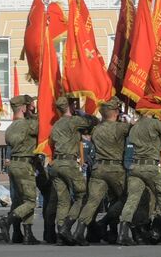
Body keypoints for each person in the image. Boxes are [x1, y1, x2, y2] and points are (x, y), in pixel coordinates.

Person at [119, 105, 161, 245]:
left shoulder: (134, 126)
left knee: (132, 199)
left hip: (135, 166)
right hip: (150, 166)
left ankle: (123, 233)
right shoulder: (154, 123)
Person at [75, 99, 131, 244]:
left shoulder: (96, 129)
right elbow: (135, 129)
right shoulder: (120, 127)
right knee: (126, 198)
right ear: (116, 112)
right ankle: (105, 222)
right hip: (115, 169)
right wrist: (128, 119)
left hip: (98, 168)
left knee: (92, 202)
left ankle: (79, 231)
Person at [47, 95, 97, 244]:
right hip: (69, 164)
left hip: (56, 164)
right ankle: (66, 227)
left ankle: (61, 234)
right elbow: (93, 122)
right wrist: (84, 114)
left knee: (63, 201)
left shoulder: (55, 124)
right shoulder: (73, 121)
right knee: (83, 196)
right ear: (69, 107)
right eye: (74, 105)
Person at [0, 95, 41, 244]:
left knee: (20, 201)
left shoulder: (10, 128)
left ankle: (26, 234)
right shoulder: (28, 125)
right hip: (25, 165)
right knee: (30, 201)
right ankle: (7, 221)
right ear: (23, 108)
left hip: (14, 165)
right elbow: (44, 126)